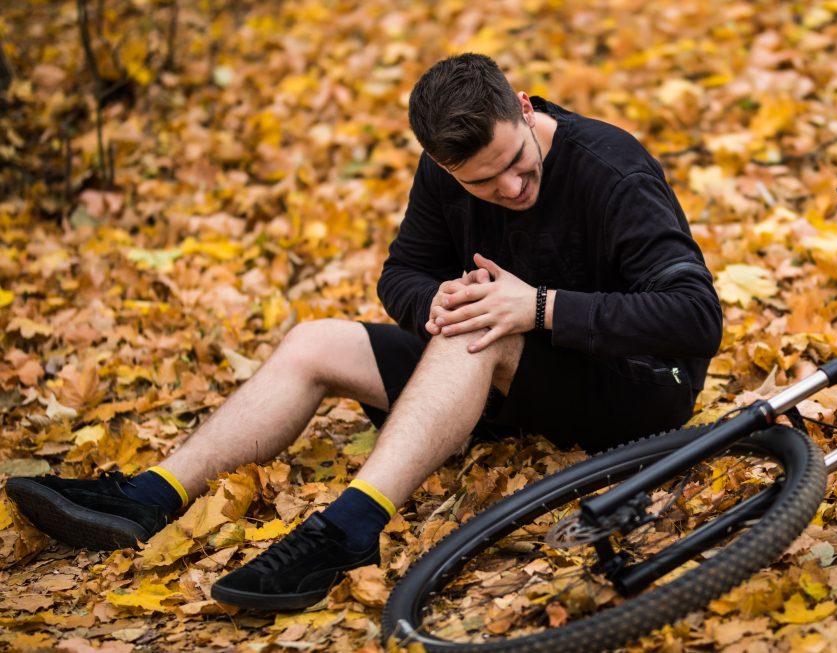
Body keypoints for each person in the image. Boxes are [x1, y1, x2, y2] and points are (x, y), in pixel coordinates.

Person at [5, 53, 722, 611]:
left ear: (525, 108)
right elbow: (401, 274)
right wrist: (432, 300)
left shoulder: (611, 170)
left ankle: (348, 529)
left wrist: (538, 308)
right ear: (445, 165)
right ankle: (151, 496)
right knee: (315, 339)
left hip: (641, 386)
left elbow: (696, 317)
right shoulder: (446, 169)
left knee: (484, 328)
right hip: (511, 375)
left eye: (514, 163)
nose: (507, 188)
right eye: (481, 181)